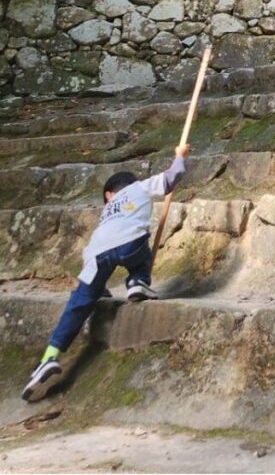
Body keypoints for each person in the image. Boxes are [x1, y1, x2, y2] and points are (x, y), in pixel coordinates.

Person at [21, 144, 191, 403]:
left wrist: (97, 290)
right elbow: (172, 177)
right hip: (130, 242)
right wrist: (180, 155)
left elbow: (100, 252)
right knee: (138, 245)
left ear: (109, 195)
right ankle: (138, 282)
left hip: (95, 254)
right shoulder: (140, 187)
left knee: (79, 303)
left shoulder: (107, 213)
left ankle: (49, 357)